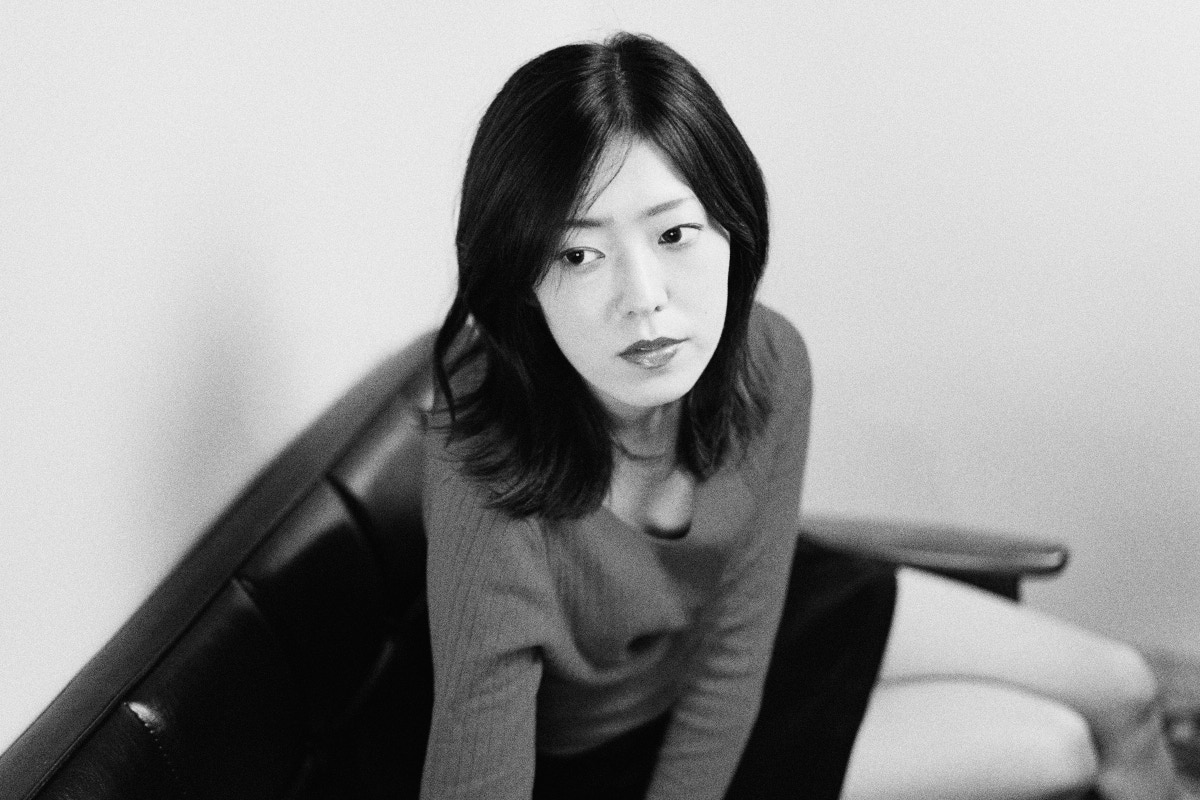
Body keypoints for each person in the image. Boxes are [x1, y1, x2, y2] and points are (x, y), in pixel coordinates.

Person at [420, 31, 1184, 800]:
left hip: (758, 619)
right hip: (619, 746)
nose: (644, 298)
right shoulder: (483, 460)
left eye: (674, 233)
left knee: (1124, 688)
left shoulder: (767, 358)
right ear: (521, 279)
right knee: (1057, 747)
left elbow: (738, 648)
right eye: (578, 255)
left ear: (732, 226)